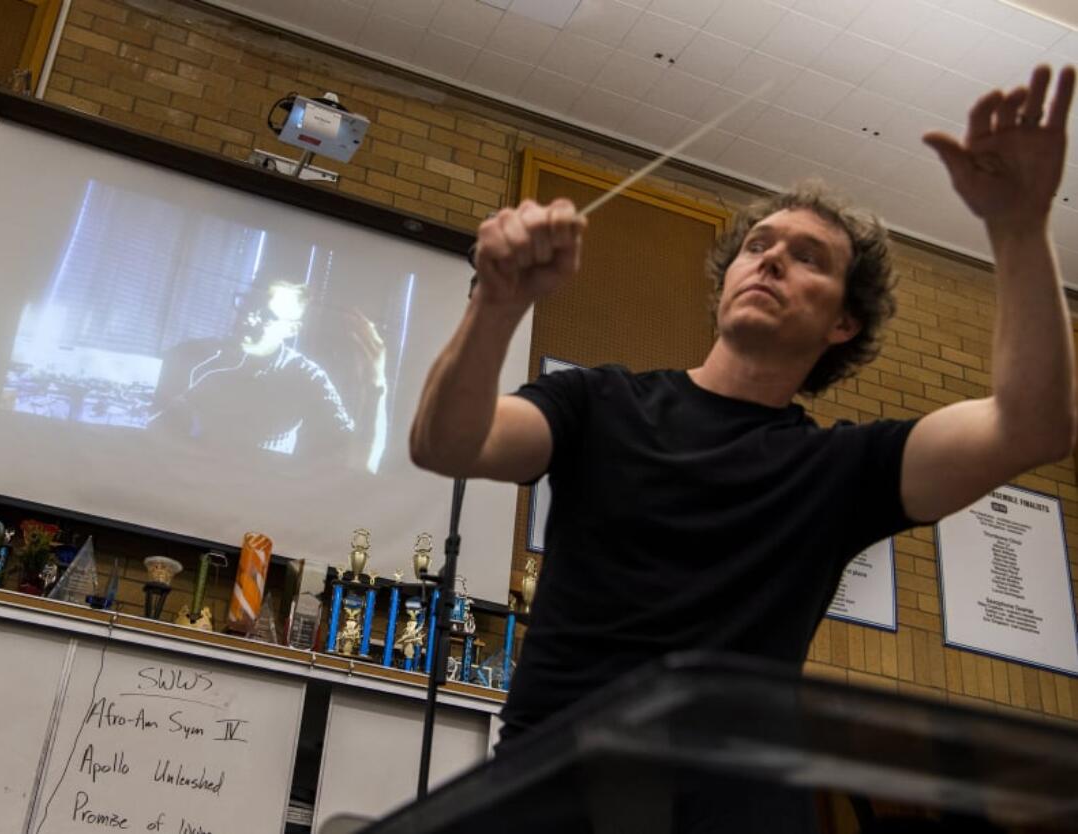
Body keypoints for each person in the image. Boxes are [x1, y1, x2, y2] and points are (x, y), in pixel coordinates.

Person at [409, 65, 1076, 827]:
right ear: (726, 282)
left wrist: (1019, 228)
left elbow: (1033, 426)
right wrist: (497, 303)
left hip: (732, 811)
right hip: (552, 794)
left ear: (843, 325)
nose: (771, 259)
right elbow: (448, 442)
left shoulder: (844, 470)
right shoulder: (600, 402)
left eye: (809, 257)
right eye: (759, 244)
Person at [150, 280, 388, 470]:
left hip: (254, 505)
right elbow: (149, 431)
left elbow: (361, 463)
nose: (247, 318)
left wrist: (376, 384)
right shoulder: (190, 355)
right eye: (246, 304)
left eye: (267, 315)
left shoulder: (306, 377)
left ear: (292, 329)